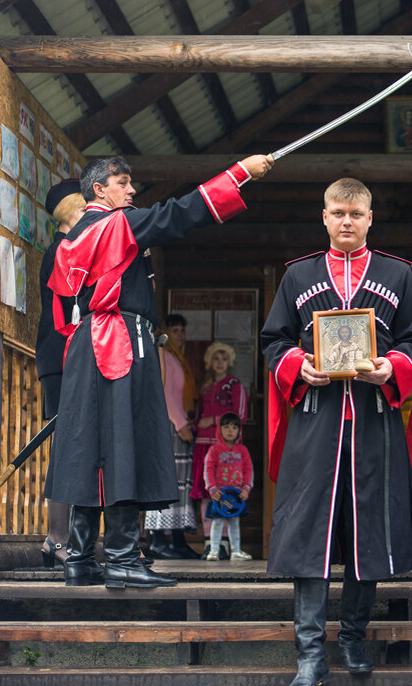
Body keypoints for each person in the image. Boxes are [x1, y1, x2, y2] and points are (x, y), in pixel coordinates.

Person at [44, 153, 273, 589]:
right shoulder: (115, 224)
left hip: (86, 344)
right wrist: (240, 173)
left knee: (92, 447)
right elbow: (179, 214)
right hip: (119, 342)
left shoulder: (72, 239)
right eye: (124, 183)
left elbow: (61, 310)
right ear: (100, 190)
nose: (132, 192)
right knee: (127, 442)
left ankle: (79, 557)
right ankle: (123, 558)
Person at [261, 177, 412, 686]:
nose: (346, 222)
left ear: (369, 218)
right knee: (310, 535)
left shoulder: (397, 274)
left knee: (368, 533)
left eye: (355, 214)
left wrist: (392, 368)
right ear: (324, 217)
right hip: (316, 421)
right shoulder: (298, 275)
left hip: (374, 421)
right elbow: (273, 340)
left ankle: (354, 640)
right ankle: (310, 656)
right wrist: (298, 365)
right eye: (337, 213)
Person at [36, 179, 84, 567]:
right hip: (62, 358)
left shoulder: (68, 248)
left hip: (70, 356)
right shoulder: (61, 252)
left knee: (74, 445)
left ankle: (69, 537)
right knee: (66, 446)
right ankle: (56, 537)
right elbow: (65, 315)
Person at [145, 313, 200, 560]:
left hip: (180, 424)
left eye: (182, 330)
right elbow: (162, 392)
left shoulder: (179, 360)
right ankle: (158, 540)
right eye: (175, 330)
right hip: (169, 425)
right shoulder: (163, 356)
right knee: (166, 481)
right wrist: (179, 423)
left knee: (182, 486)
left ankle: (177, 540)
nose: (179, 335)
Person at [190, 341, 249, 552]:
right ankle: (210, 543)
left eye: (224, 359)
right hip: (202, 446)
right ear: (209, 361)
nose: (220, 362)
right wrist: (196, 425)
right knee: (208, 493)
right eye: (216, 358)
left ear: (230, 362)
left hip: (224, 448)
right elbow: (198, 416)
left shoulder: (234, 385)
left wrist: (214, 420)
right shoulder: (205, 386)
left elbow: (240, 416)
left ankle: (224, 544)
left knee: (227, 493)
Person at [203, 412, 253, 561]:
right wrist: (212, 488)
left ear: (239, 430)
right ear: (220, 429)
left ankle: (236, 551)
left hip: (236, 496)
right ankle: (214, 551)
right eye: (226, 427)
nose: (230, 431)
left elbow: (249, 469)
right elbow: (208, 469)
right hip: (220, 495)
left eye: (234, 427)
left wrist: (246, 488)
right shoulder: (214, 450)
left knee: (234, 522)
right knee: (217, 522)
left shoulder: (243, 450)